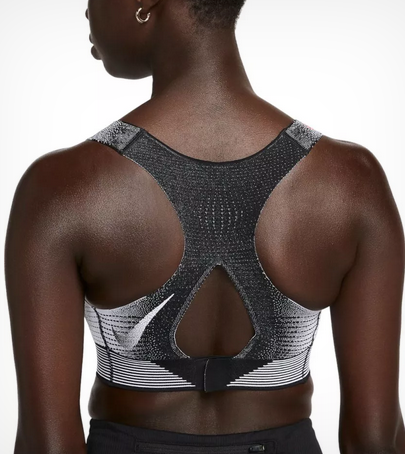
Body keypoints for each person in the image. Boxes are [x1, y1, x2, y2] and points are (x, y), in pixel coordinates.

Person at [5, 0, 405, 453]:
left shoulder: (62, 189)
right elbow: (377, 441)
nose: (86, 9)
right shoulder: (351, 182)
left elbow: (46, 445)